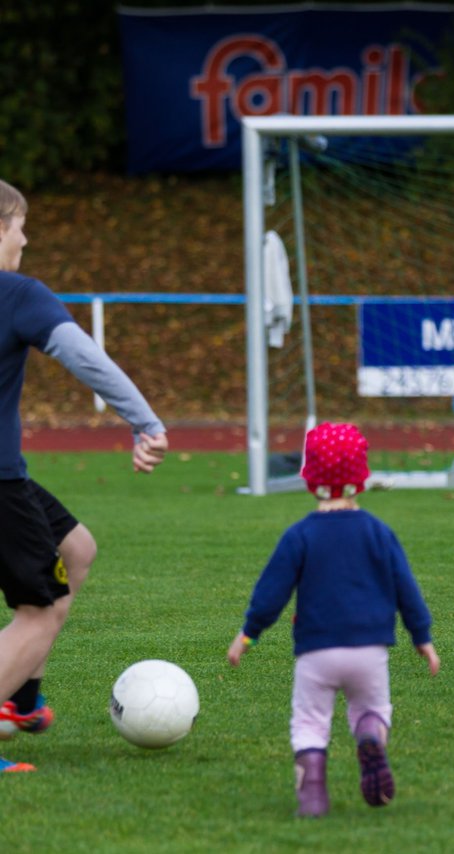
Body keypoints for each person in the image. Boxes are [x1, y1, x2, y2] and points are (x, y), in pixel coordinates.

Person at [0, 179, 168, 773]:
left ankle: (18, 702)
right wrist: (144, 423)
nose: (26, 236)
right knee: (37, 611)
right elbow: (84, 357)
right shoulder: (17, 294)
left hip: (9, 476)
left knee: (76, 547)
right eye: (19, 224)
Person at [226, 422, 440, 817]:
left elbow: (270, 594)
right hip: (369, 650)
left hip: (316, 651)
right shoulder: (379, 532)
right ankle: (370, 736)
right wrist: (422, 638)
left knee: (309, 721)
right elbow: (405, 588)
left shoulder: (299, 535)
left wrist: (248, 635)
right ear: (361, 478)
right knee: (371, 710)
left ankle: (312, 797)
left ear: (308, 478)